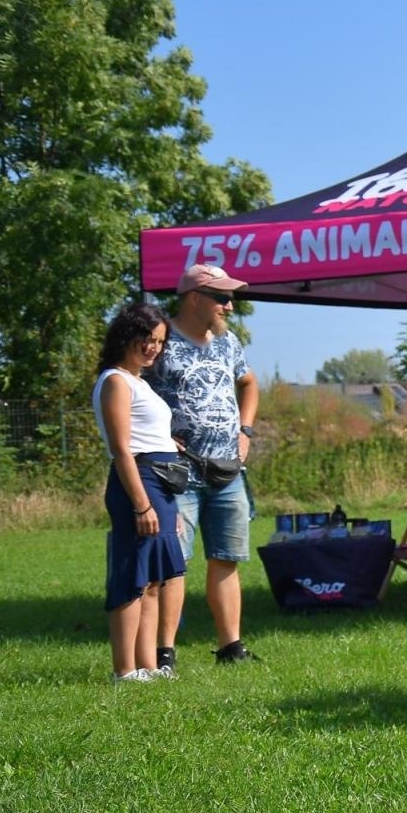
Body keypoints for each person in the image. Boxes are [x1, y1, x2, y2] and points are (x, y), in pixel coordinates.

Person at [145, 264, 260, 667]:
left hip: (227, 470)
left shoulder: (228, 342)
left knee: (226, 558)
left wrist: (245, 432)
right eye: (222, 297)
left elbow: (248, 383)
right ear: (195, 298)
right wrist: (155, 435)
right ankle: (164, 653)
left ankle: (231, 647)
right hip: (176, 475)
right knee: (173, 563)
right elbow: (129, 387)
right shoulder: (159, 340)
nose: (229, 305)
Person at [91, 303, 186, 682]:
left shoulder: (140, 381)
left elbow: (147, 434)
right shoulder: (116, 380)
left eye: (159, 341)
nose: (153, 348)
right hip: (139, 484)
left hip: (160, 484)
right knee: (132, 577)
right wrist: (142, 503)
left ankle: (147, 665)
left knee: (152, 581)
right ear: (125, 336)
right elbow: (121, 449)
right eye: (147, 338)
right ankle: (124, 670)